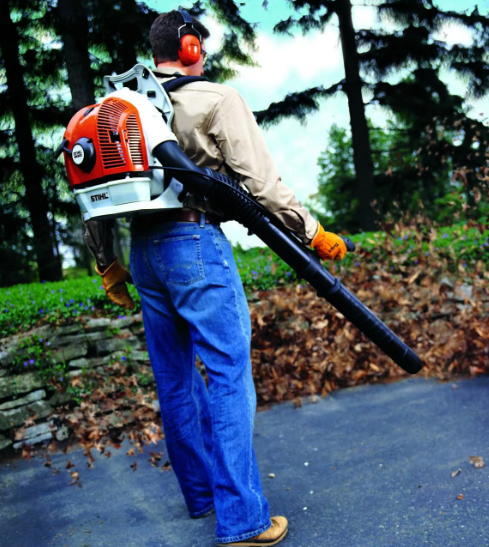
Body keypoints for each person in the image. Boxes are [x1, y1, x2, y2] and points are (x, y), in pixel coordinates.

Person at [84, 8, 348, 547]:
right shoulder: (215, 99)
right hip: (193, 241)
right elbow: (263, 184)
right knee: (227, 375)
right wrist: (313, 232)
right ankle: (244, 520)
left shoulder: (121, 110)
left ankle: (204, 497)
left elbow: (94, 193)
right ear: (188, 47)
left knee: (175, 378)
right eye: (198, 41)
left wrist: (106, 261)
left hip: (143, 251)